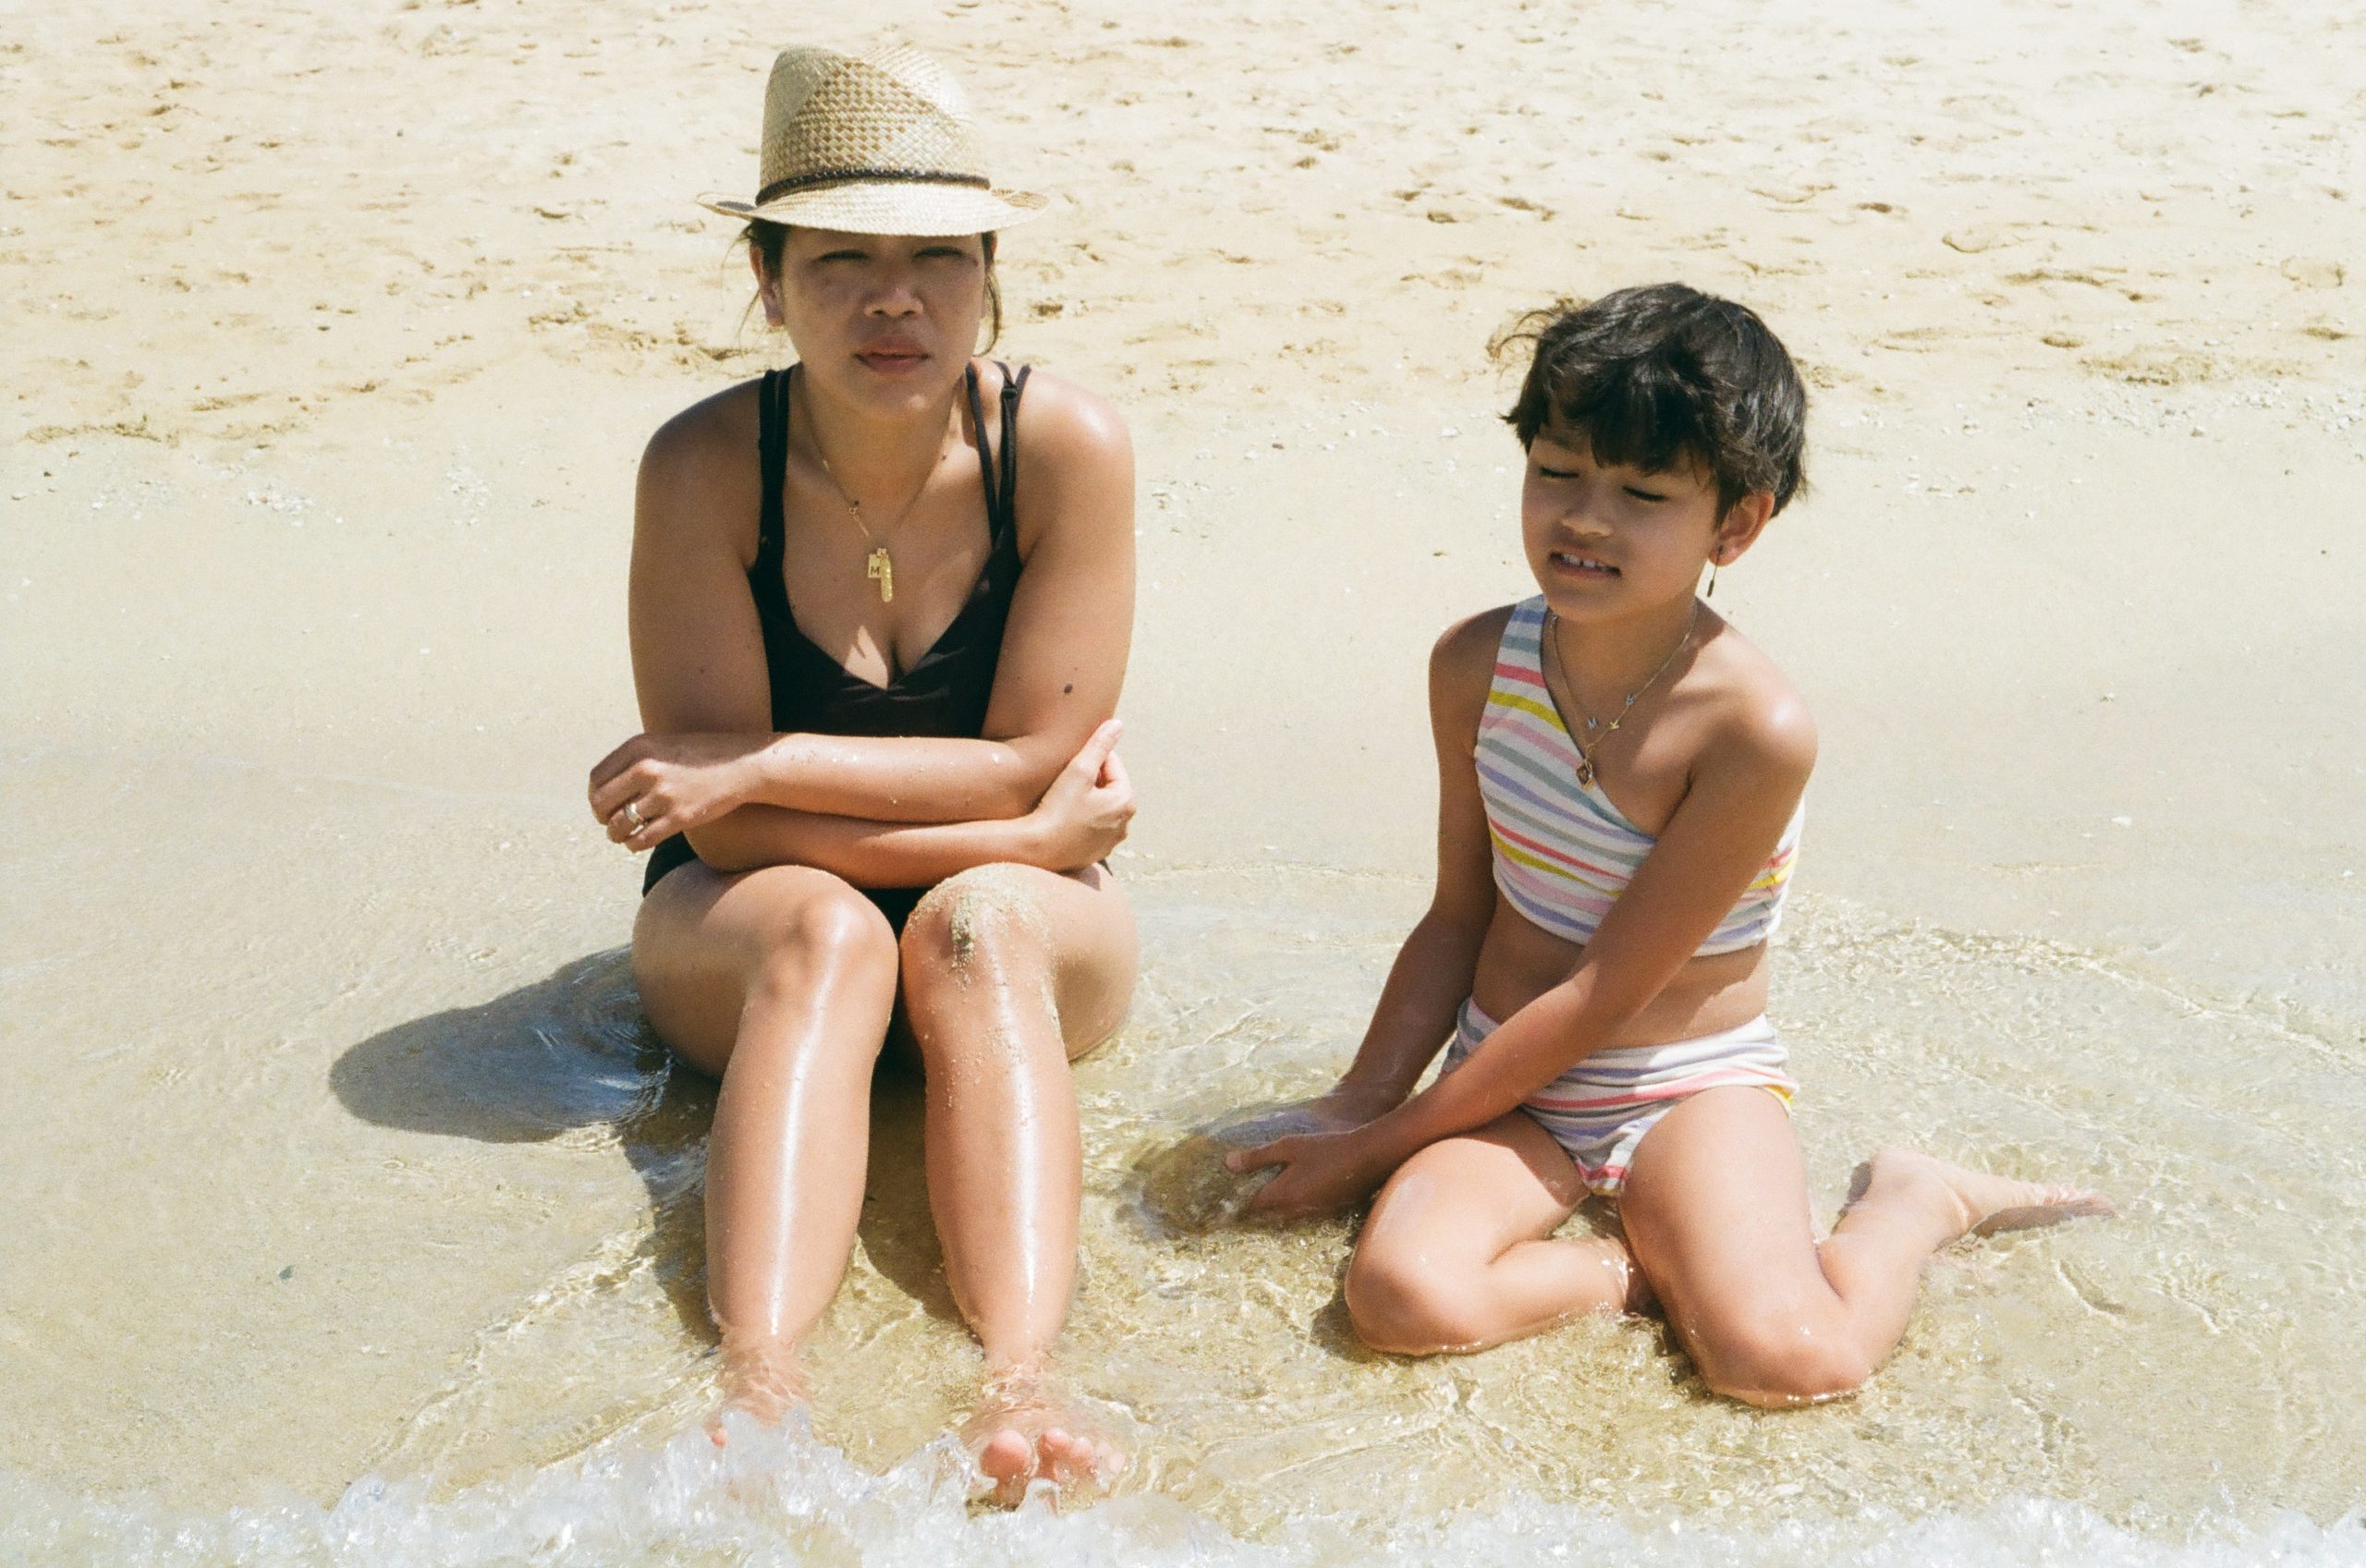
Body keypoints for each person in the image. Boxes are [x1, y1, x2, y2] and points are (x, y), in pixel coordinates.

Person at [1227, 284, 2110, 1404]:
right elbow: (1458, 912)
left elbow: (1602, 993)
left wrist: (1377, 1147)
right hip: (1508, 1079)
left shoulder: (1751, 729)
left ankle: (1912, 1200)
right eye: (1556, 470)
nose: (1585, 518)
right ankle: (1636, 1272)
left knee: (1789, 1360)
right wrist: (1359, 1098)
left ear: (1734, 525)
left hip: (1684, 1084)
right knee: (1401, 1297)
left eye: (1642, 493)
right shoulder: (1477, 668)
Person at [586, 43, 1137, 1501]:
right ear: (768, 281)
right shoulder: (705, 464)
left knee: (983, 922)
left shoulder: (1064, 448)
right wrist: (1025, 825)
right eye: (841, 261)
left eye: (936, 258)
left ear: (987, 275)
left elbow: (1032, 757)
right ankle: (757, 1392)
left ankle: (1023, 1388)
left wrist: (771, 762)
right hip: (754, 928)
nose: (894, 300)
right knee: (831, 932)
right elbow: (727, 836)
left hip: (1026, 919)